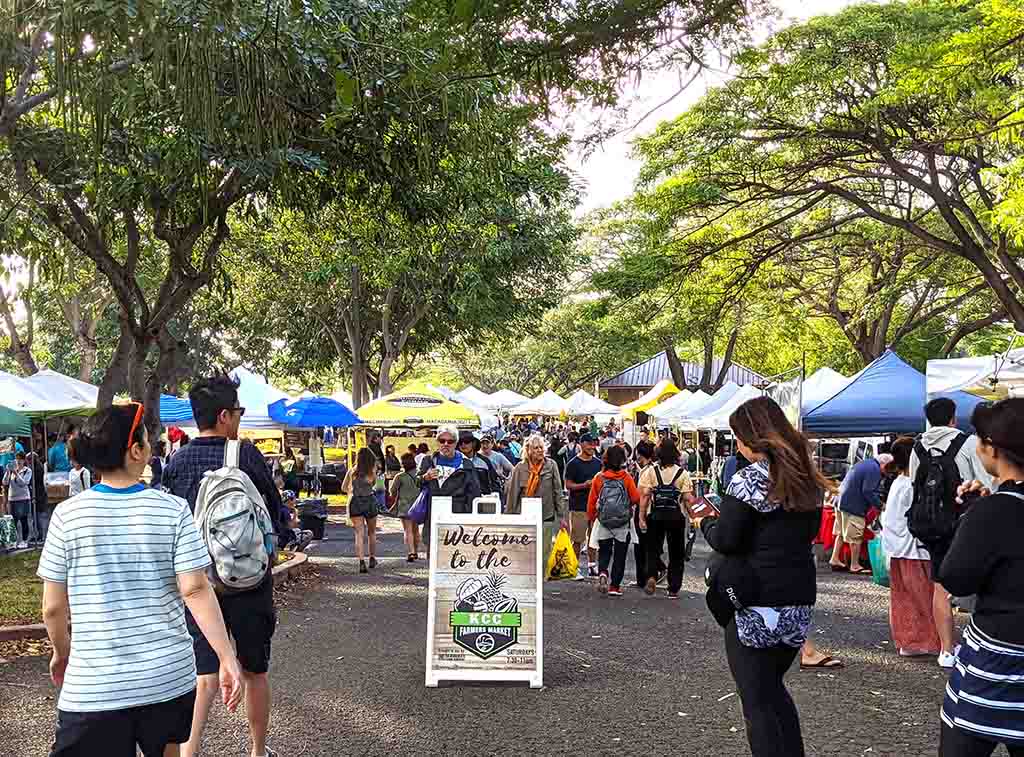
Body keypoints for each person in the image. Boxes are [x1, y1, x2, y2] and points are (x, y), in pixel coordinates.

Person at [38, 403, 243, 757]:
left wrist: (62, 653)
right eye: (148, 440)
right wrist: (226, 656)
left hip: (94, 688)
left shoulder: (66, 516)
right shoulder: (173, 510)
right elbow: (195, 589)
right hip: (167, 677)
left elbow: (53, 608)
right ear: (136, 451)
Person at [693, 396, 830, 757]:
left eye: (737, 437)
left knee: (756, 702)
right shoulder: (806, 477)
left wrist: (703, 520)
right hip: (798, 599)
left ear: (753, 438)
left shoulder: (749, 480)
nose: (736, 445)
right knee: (773, 692)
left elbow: (727, 539)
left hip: (755, 602)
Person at [161, 374, 285, 757]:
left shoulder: (177, 462)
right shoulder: (245, 455)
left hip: (199, 585)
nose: (240, 419)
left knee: (203, 674)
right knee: (255, 670)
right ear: (224, 416)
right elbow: (273, 510)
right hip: (249, 579)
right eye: (238, 412)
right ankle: (257, 751)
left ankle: (190, 751)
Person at [939, 398, 1024, 757]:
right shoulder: (996, 507)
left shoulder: (994, 512)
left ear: (992, 448)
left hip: (996, 661)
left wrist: (971, 520)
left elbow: (957, 578)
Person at [910, 397, 992, 670]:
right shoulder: (967, 443)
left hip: (931, 526)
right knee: (982, 582)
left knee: (940, 585)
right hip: (966, 523)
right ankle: (981, 644)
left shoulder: (917, 447)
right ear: (953, 418)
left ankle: (946, 650)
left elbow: (915, 486)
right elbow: (986, 481)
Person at [880, 436, 942, 659]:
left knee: (903, 599)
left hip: (896, 549)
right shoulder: (911, 485)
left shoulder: (898, 482)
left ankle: (908, 641)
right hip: (914, 550)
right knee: (924, 598)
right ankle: (928, 642)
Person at [638, 438, 696, 599]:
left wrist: (641, 517)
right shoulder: (682, 474)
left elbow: (644, 497)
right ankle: (673, 588)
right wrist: (694, 517)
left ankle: (651, 576)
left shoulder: (651, 471)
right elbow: (687, 498)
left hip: (655, 515)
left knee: (652, 549)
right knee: (676, 553)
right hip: (675, 517)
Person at [505, 434, 568, 571]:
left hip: (546, 515)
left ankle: (540, 583)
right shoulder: (520, 468)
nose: (540, 450)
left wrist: (561, 516)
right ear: (528, 450)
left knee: (544, 553)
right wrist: (509, 518)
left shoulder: (551, 465)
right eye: (536, 448)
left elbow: (558, 491)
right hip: (525, 517)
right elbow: (513, 495)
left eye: (541, 447)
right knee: (525, 552)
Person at [586, 445, 641, 596]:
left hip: (604, 521)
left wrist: (591, 518)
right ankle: (614, 587)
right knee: (620, 554)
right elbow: (636, 497)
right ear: (622, 459)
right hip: (622, 522)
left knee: (604, 551)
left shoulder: (599, 478)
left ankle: (603, 572)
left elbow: (592, 502)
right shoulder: (626, 477)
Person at [417, 426, 482, 550]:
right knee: (433, 555)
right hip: (433, 515)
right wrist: (425, 477)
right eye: (442, 441)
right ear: (437, 442)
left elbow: (474, 493)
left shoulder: (466, 463)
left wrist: (467, 519)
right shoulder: (428, 461)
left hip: (457, 517)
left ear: (456, 443)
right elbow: (416, 482)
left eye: (450, 441)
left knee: (455, 554)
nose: (446, 444)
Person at [830, 453, 882, 574]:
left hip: (840, 501)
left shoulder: (864, 463)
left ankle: (835, 559)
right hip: (853, 506)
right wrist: (880, 505)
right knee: (855, 537)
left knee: (841, 534)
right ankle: (854, 565)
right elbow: (868, 491)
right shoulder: (874, 469)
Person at [564, 433, 603, 581]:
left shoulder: (598, 463)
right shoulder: (573, 463)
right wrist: (584, 485)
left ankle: (593, 566)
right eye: (589, 444)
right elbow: (568, 485)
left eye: (594, 443)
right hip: (578, 506)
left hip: (595, 507)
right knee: (577, 539)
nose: (592, 446)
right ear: (581, 444)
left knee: (594, 538)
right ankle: (574, 568)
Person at [631, 441, 664, 589]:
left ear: (640, 454)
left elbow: (641, 495)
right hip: (654, 512)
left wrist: (640, 516)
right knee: (648, 545)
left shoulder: (646, 471)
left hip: (644, 510)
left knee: (642, 545)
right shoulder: (654, 469)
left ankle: (646, 577)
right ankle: (649, 575)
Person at [342, 448, 380, 573]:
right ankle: (372, 558)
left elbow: (343, 488)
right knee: (372, 532)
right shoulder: (372, 471)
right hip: (369, 501)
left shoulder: (352, 471)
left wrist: (353, 490)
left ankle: (361, 561)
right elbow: (375, 485)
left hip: (356, 502)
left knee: (359, 533)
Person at [390, 453, 421, 561]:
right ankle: (416, 551)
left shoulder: (400, 477)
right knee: (416, 530)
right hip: (418, 506)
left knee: (408, 530)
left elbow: (392, 491)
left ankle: (411, 552)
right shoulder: (420, 475)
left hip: (404, 506)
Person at [459, 432, 501, 497]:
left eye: (466, 441)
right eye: (460, 442)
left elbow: (494, 484)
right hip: (461, 503)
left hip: (482, 502)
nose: (463, 444)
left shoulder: (484, 461)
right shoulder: (453, 461)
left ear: (474, 443)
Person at [4, 451, 32, 547]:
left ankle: (24, 540)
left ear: (24, 460)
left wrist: (16, 473)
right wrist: (8, 471)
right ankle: (13, 541)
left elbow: (24, 483)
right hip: (12, 498)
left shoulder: (27, 470)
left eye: (20, 459)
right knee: (13, 521)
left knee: (24, 520)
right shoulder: (12, 470)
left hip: (23, 498)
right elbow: (5, 482)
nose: (18, 461)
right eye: (17, 459)